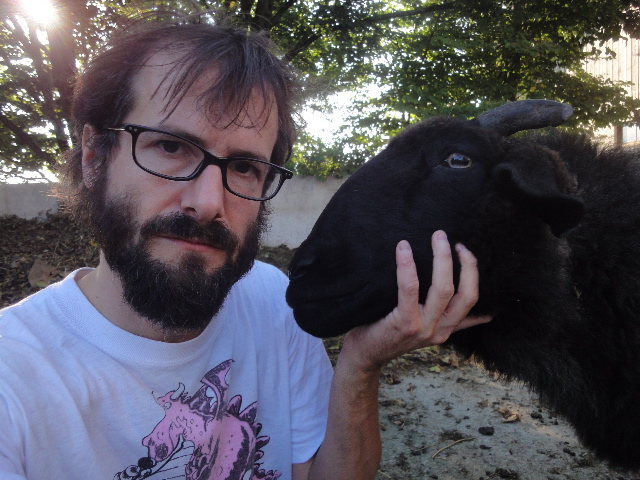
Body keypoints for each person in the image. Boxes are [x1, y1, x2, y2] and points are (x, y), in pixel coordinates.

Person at [0, 19, 491, 480]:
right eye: (170, 147)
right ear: (93, 157)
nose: (208, 203)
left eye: (243, 168)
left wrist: (360, 364)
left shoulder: (272, 302)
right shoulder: (13, 379)